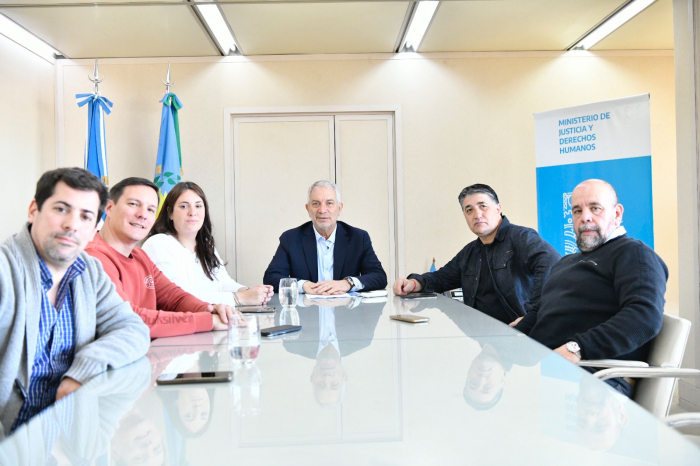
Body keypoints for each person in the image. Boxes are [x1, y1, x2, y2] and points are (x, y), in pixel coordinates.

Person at [0, 168, 150, 439]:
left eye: (85, 216)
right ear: (34, 210)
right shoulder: (4, 270)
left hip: (71, 440)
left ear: (95, 227)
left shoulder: (89, 272)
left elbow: (133, 329)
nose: (72, 224)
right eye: (61, 209)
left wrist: (82, 371)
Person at [514, 179, 668, 397]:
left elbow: (645, 316)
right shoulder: (567, 261)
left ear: (617, 214)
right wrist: (508, 340)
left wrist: (577, 348)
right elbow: (542, 310)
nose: (584, 217)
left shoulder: (634, 254)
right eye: (577, 211)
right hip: (544, 368)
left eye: (595, 208)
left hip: (592, 377)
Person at [85, 177, 239, 339]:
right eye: (133, 204)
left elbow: (175, 298)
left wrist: (210, 309)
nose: (142, 214)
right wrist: (208, 321)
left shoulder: (140, 256)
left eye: (151, 209)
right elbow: (127, 319)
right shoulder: (94, 257)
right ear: (109, 207)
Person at [393, 184, 560, 325]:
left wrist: (533, 315)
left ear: (498, 209)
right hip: (481, 337)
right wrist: (414, 283)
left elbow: (552, 262)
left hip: (519, 336)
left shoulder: (520, 237)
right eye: (469, 210)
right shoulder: (470, 252)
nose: (477, 215)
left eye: (483, 206)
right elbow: (441, 278)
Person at [142, 181, 273, 307]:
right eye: (183, 206)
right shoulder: (158, 243)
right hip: (180, 324)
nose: (193, 212)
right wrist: (242, 298)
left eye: (198, 206)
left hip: (212, 319)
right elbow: (181, 297)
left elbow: (223, 283)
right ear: (170, 213)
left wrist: (249, 291)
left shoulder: (205, 244)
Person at [263, 180, 387, 294]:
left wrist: (348, 283)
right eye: (316, 204)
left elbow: (379, 276)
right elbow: (271, 277)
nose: (322, 210)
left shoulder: (358, 238)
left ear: (339, 208)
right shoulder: (291, 239)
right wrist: (303, 285)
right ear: (308, 209)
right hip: (306, 314)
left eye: (329, 203)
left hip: (346, 314)